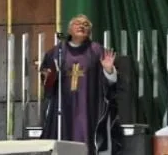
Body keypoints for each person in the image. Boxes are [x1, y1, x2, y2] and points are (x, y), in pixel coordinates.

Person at [40, 14, 123, 154]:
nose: (81, 26)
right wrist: (48, 77)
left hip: (89, 108)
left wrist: (109, 70)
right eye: (77, 23)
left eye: (85, 25)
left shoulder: (97, 51)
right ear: (69, 30)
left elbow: (111, 84)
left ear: (89, 32)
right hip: (63, 108)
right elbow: (47, 84)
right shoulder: (56, 52)